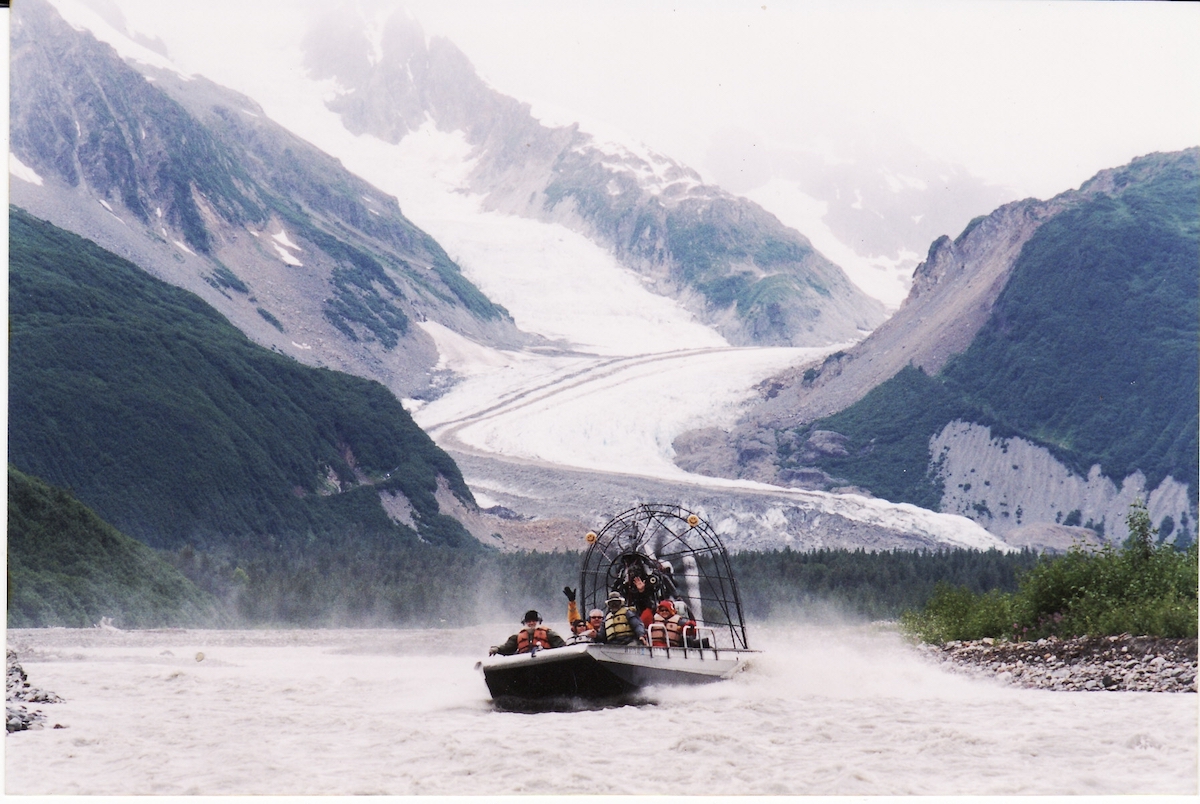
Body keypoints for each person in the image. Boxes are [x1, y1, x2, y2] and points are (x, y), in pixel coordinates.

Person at [489, 610, 566, 655]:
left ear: (538, 622)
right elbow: (507, 647)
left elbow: (562, 646)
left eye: (533, 621)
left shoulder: (549, 634)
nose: (531, 623)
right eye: (529, 621)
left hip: (545, 662)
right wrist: (497, 649)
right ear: (525, 623)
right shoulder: (517, 637)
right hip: (525, 663)